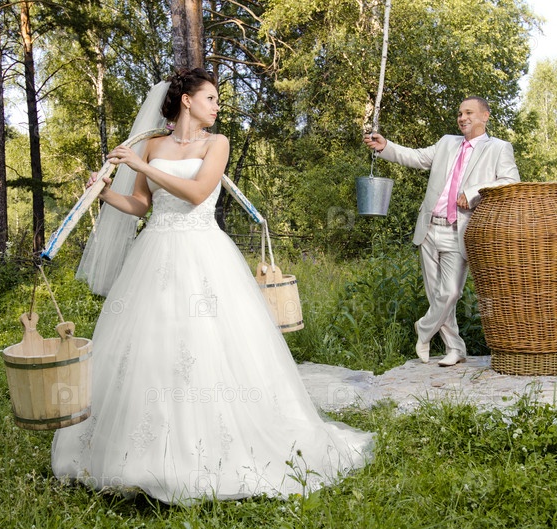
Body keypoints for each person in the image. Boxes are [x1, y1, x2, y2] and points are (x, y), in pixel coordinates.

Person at [52, 68, 374, 505]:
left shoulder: (216, 143)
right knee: (151, 346)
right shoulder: (152, 145)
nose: (217, 106)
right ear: (187, 100)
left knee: (210, 344)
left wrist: (140, 165)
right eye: (211, 98)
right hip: (154, 253)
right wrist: (107, 193)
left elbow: (198, 193)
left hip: (204, 252)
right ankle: (139, 451)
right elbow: (142, 204)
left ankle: (217, 448)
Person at [363, 96, 520, 367]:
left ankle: (423, 329)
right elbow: (416, 157)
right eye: (460, 113)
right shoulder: (447, 143)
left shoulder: (498, 148)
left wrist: (474, 192)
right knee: (436, 295)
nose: (462, 118)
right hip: (429, 226)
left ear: (485, 116)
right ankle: (455, 348)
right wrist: (386, 146)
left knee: (450, 293)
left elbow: (510, 181)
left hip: (459, 229)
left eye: (469, 113)